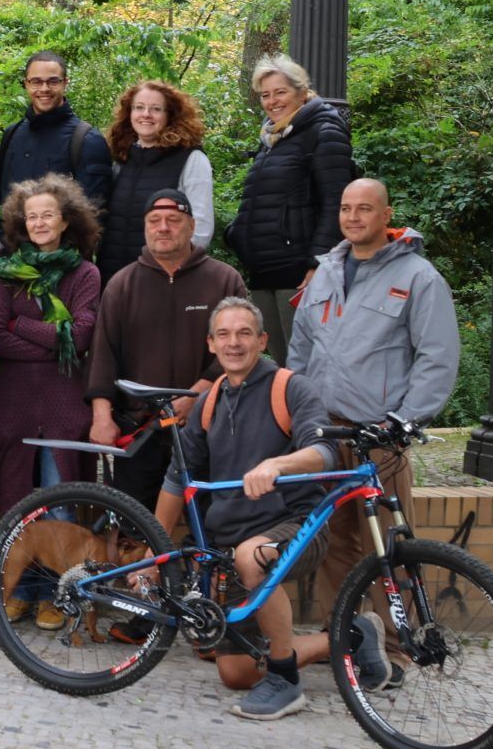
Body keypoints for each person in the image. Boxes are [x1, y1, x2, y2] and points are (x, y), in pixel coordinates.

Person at [161, 297, 390, 720]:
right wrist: (153, 550)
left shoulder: (291, 388)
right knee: (236, 672)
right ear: (211, 344)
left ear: (263, 340)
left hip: (296, 525)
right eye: (224, 334)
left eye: (244, 333)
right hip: (230, 545)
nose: (234, 343)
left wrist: (277, 465)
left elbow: (324, 452)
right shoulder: (209, 402)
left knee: (255, 558)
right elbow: (178, 477)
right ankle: (351, 636)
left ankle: (285, 681)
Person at [289, 177, 459, 603]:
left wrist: (403, 422)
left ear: (386, 216)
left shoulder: (418, 277)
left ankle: (398, 638)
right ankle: (344, 634)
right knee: (333, 543)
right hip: (325, 434)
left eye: (364, 208)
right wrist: (298, 411)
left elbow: (437, 356)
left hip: (379, 436)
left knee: (388, 547)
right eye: (346, 208)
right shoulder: (324, 274)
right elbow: (300, 350)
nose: (353, 217)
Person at [0, 175, 101, 626]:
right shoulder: (5, 272)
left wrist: (21, 326)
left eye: (48, 215)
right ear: (21, 223)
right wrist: (53, 340)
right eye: (31, 216)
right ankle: (21, 592)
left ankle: (56, 595)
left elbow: (81, 336)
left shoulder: (86, 274)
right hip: (12, 403)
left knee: (60, 505)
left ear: (66, 221)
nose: (39, 223)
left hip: (63, 404)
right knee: (16, 504)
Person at [84, 189, 247, 512]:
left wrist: (195, 396)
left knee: (210, 522)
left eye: (173, 220)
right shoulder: (122, 284)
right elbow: (102, 355)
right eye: (154, 220)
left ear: (192, 226)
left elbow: (241, 349)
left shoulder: (224, 280)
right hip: (141, 428)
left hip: (207, 426)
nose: (163, 228)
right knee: (134, 523)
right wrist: (102, 418)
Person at [226, 53, 354, 356]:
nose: (272, 101)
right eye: (265, 95)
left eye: (280, 92)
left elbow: (336, 202)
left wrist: (317, 264)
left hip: (298, 274)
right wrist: (238, 236)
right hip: (264, 272)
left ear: (301, 91)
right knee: (281, 368)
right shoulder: (272, 138)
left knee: (306, 366)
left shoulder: (323, 131)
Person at [95, 79, 215, 279]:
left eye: (156, 109)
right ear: (129, 113)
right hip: (113, 277)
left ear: (170, 115)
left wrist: (178, 271)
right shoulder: (122, 159)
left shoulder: (191, 158)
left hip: (164, 277)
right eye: (139, 107)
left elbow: (201, 227)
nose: (146, 114)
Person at [0, 51, 113, 215]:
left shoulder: (87, 140)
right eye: (36, 82)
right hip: (10, 231)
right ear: (26, 84)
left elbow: (94, 212)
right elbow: (2, 194)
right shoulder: (12, 134)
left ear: (65, 83)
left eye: (53, 81)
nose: (44, 88)